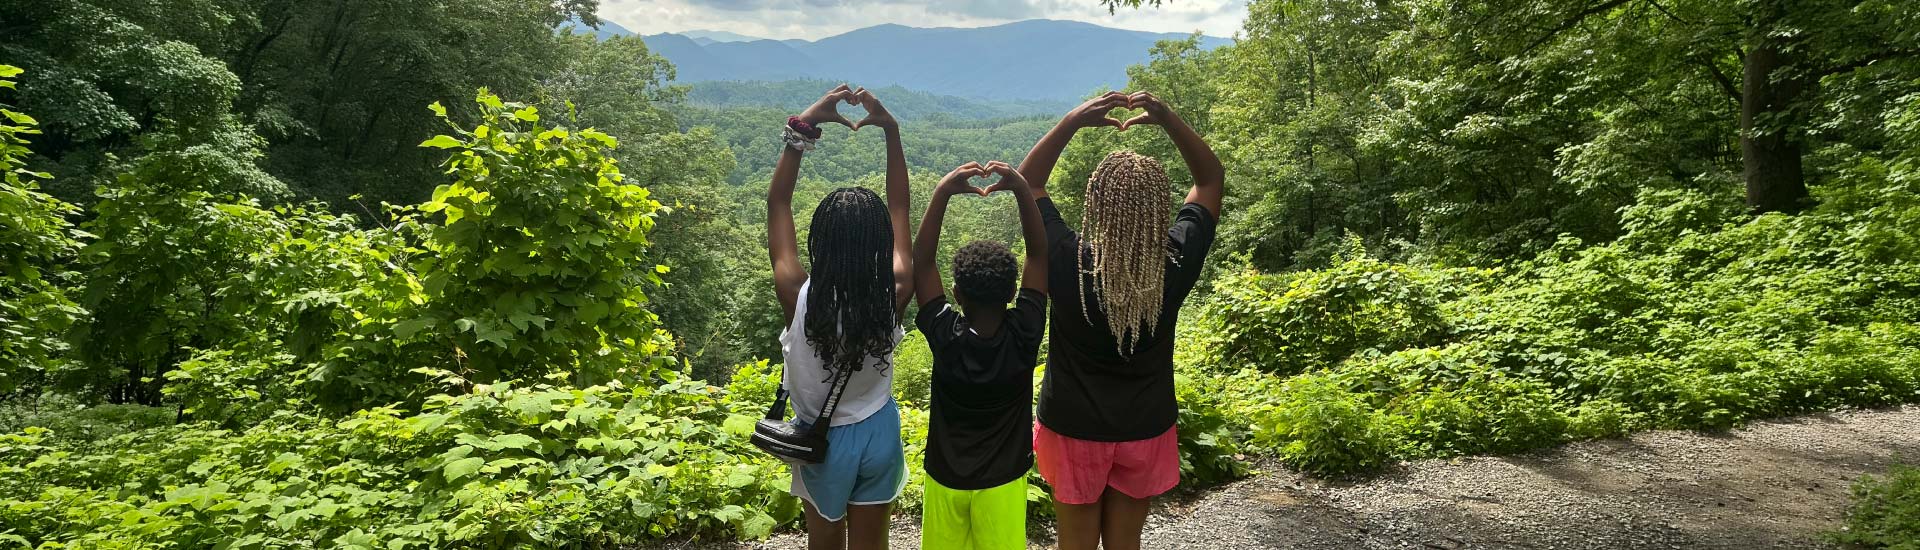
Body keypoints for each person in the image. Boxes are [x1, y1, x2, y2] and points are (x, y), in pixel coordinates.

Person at [1014, 91, 1225, 550]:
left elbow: (1026, 182)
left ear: (1096, 204)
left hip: (1071, 426)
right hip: (1145, 426)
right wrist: (1169, 117)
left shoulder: (1068, 261)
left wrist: (1071, 120)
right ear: (1158, 207)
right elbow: (1210, 180)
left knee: (1074, 544)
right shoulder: (1174, 261)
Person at [766, 84, 915, 550]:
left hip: (822, 439)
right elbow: (900, 207)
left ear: (821, 241)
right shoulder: (896, 291)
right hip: (878, 431)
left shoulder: (798, 294)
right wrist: (891, 131)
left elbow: (778, 205)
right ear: (880, 243)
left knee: (825, 539)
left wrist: (804, 126)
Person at [911, 161, 1048, 550]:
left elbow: (922, 262)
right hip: (1003, 481)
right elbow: (1039, 255)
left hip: (945, 479)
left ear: (957, 295)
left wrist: (942, 192)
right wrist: (1022, 187)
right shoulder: (1024, 333)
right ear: (1011, 294)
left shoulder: (946, 336)